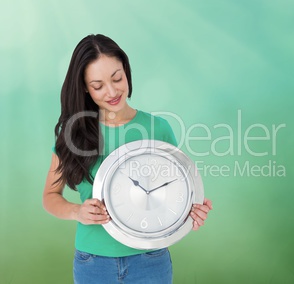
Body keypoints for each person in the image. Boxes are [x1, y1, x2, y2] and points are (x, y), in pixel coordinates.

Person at [43, 34, 213, 284]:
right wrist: (77, 211)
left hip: (150, 260)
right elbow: (50, 196)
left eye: (117, 78)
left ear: (126, 71)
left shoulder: (158, 128)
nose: (112, 91)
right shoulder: (74, 133)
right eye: (98, 85)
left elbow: (173, 191)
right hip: (93, 262)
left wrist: (192, 211)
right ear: (84, 87)